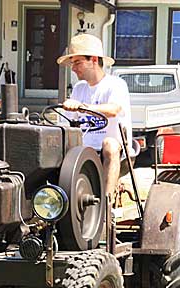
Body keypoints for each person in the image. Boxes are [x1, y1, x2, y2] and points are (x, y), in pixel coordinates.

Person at [57, 33, 136, 200]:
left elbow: (113, 109)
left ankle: (106, 206)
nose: (73, 68)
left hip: (113, 154)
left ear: (93, 60)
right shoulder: (79, 88)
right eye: (72, 63)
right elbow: (67, 121)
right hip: (84, 150)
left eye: (77, 62)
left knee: (110, 145)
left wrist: (83, 107)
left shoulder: (115, 84)